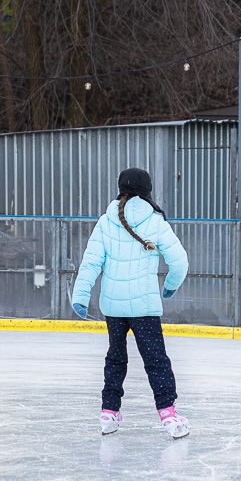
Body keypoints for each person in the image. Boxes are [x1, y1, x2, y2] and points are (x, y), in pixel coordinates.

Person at [71, 168, 190, 439]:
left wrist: (81, 296)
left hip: (113, 308)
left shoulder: (106, 221)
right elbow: (179, 261)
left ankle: (109, 414)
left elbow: (91, 262)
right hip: (144, 308)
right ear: (147, 191)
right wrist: (170, 286)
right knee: (155, 360)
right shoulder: (156, 221)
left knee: (116, 358)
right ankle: (169, 415)